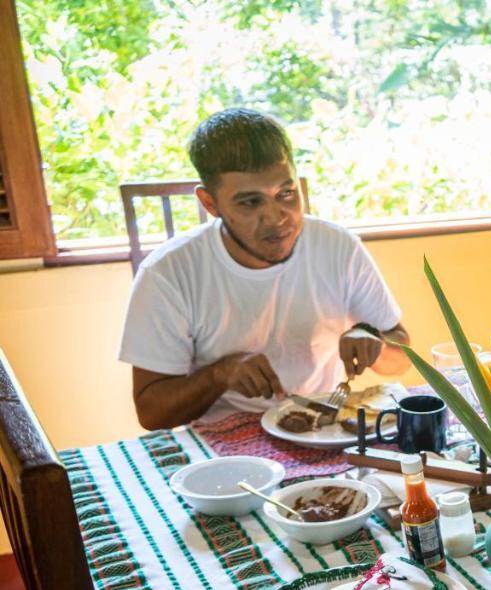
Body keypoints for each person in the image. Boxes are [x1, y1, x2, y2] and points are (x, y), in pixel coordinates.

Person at [118, 108, 410, 428]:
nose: (276, 217)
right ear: (210, 203)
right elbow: (151, 413)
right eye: (250, 202)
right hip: (226, 443)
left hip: (324, 430)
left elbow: (401, 360)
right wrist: (220, 374)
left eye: (286, 194)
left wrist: (372, 338)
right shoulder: (168, 273)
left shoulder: (338, 246)